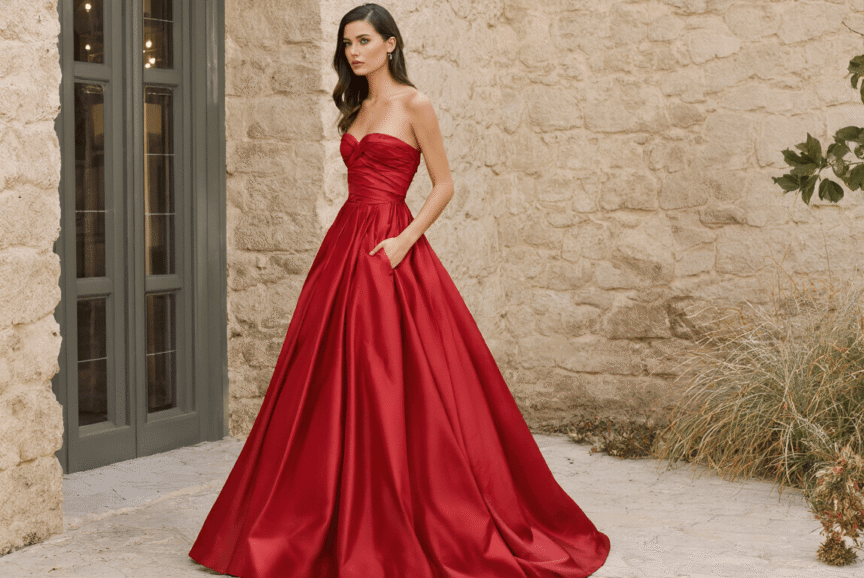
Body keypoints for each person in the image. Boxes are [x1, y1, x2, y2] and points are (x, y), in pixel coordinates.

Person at [187, 3, 611, 577]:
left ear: (390, 44)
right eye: (347, 44)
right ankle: (317, 511)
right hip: (344, 244)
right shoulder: (356, 107)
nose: (353, 52)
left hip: (391, 244)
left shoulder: (415, 104)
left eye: (363, 41)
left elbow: (444, 184)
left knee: (394, 372)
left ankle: (402, 508)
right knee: (327, 375)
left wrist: (405, 241)